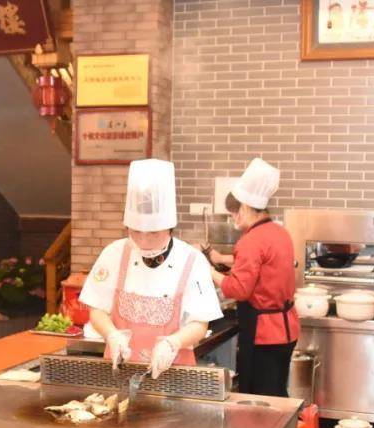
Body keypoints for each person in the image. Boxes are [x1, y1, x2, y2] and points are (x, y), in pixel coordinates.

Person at [81, 159, 222, 379]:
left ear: (170, 228)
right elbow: (96, 309)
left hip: (174, 374)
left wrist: (173, 343)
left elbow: (199, 323)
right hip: (120, 373)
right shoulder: (113, 253)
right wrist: (111, 335)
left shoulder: (192, 260)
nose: (144, 241)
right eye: (136, 232)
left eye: (154, 233)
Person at [204, 158, 299, 396]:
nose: (234, 219)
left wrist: (210, 272)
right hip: (286, 330)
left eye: (234, 214)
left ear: (245, 208)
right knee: (277, 394)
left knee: (259, 399)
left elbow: (239, 289)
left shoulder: (251, 240)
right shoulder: (280, 233)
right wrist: (222, 259)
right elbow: (263, 267)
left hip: (264, 334)